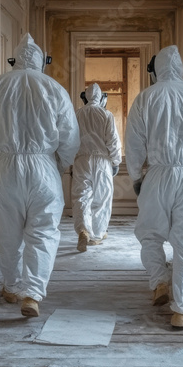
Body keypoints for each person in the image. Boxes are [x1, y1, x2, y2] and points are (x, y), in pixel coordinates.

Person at [0, 33, 79, 318]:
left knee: (9, 232)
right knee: (43, 232)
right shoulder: (54, 88)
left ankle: (11, 285)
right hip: (45, 167)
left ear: (14, 60)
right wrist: (60, 165)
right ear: (42, 61)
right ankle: (33, 293)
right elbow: (70, 136)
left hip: (7, 167)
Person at [125, 45, 183, 329]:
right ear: (179, 69)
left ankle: (159, 283)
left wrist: (136, 177)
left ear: (155, 70)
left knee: (150, 234)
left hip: (156, 174)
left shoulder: (145, 98)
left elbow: (133, 144)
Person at [71, 83, 122, 252]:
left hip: (82, 159)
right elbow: (113, 141)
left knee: (82, 197)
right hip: (102, 161)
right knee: (102, 198)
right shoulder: (106, 114)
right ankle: (97, 235)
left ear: (85, 97)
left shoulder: (77, 114)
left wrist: (72, 161)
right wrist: (115, 162)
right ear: (101, 97)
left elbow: (70, 139)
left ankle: (83, 230)